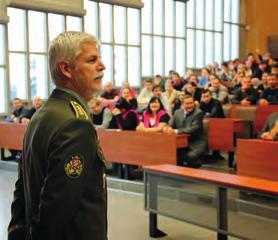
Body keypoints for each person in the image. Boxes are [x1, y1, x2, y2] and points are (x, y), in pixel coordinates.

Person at [8, 31, 107, 240]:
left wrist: (17, 232)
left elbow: (22, 185)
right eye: (92, 59)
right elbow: (55, 208)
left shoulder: (43, 114)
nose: (102, 65)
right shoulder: (75, 123)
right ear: (66, 68)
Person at [165, 95, 207, 168]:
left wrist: (176, 131)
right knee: (171, 155)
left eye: (191, 103)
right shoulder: (177, 112)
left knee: (189, 157)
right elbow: (171, 125)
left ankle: (193, 172)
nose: (190, 105)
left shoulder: (198, 113)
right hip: (180, 143)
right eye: (187, 104)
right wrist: (167, 129)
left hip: (195, 143)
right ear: (182, 104)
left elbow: (193, 128)